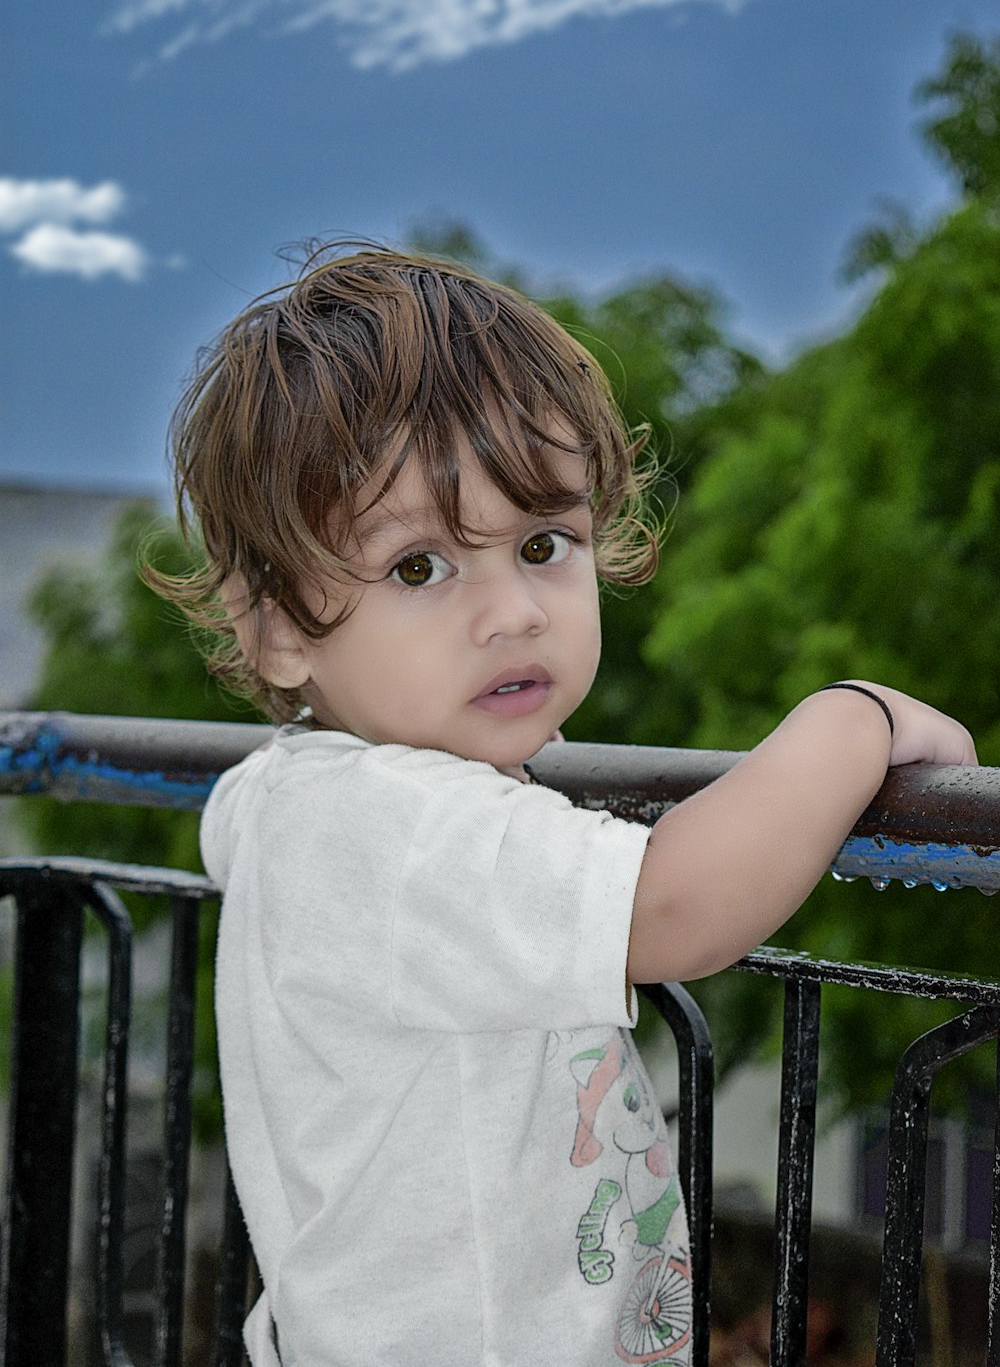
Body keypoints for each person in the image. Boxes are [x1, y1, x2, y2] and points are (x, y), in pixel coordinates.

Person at [154, 244, 976, 1367]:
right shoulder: (396, 824)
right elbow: (676, 911)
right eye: (419, 569)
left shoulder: (297, 798)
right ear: (280, 629)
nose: (510, 613)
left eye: (543, 545)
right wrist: (851, 721)